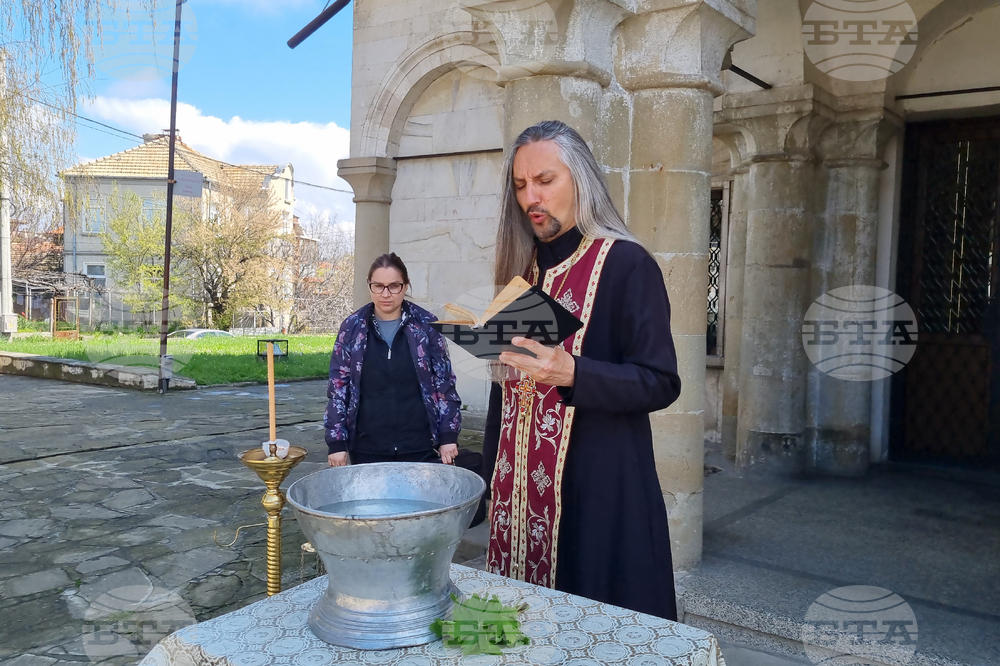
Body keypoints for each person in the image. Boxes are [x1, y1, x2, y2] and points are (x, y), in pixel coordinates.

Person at [483, 120, 682, 620]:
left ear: (581, 180)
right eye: (521, 185)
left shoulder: (627, 265)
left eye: (545, 181)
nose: (532, 197)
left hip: (596, 493)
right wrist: (489, 478)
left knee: (590, 629)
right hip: (519, 496)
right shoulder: (522, 274)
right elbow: (503, 393)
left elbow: (661, 380)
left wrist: (575, 373)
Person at [324, 253, 462, 466]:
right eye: (378, 286)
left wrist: (448, 436)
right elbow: (338, 388)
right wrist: (336, 442)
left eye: (394, 286)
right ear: (369, 285)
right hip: (367, 446)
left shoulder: (426, 325)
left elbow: (444, 384)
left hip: (420, 444)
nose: (385, 294)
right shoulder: (352, 327)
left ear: (405, 286)